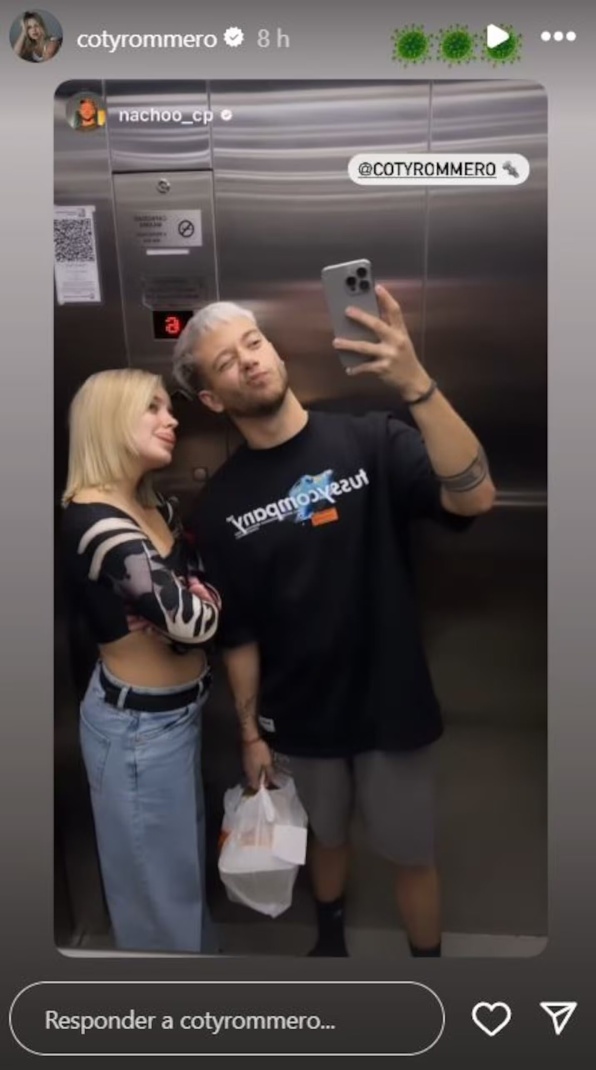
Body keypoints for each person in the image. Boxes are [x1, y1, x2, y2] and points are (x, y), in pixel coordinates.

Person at [171, 286, 496, 958]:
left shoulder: (371, 438)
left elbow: (475, 497)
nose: (249, 361)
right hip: (301, 716)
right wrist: (250, 734)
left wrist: (417, 385)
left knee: (412, 852)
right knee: (325, 837)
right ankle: (329, 948)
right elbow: (239, 635)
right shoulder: (220, 506)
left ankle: (429, 972)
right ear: (212, 399)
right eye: (226, 362)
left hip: (392, 705)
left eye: (254, 343)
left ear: (276, 351)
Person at [60, 368, 221, 953]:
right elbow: (193, 620)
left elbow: (195, 587)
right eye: (151, 407)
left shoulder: (152, 506)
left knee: (180, 880)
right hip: (137, 732)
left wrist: (187, 601)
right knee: (157, 900)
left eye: (167, 407)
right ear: (109, 419)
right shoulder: (95, 519)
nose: (170, 419)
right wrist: (192, 605)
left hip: (177, 717)